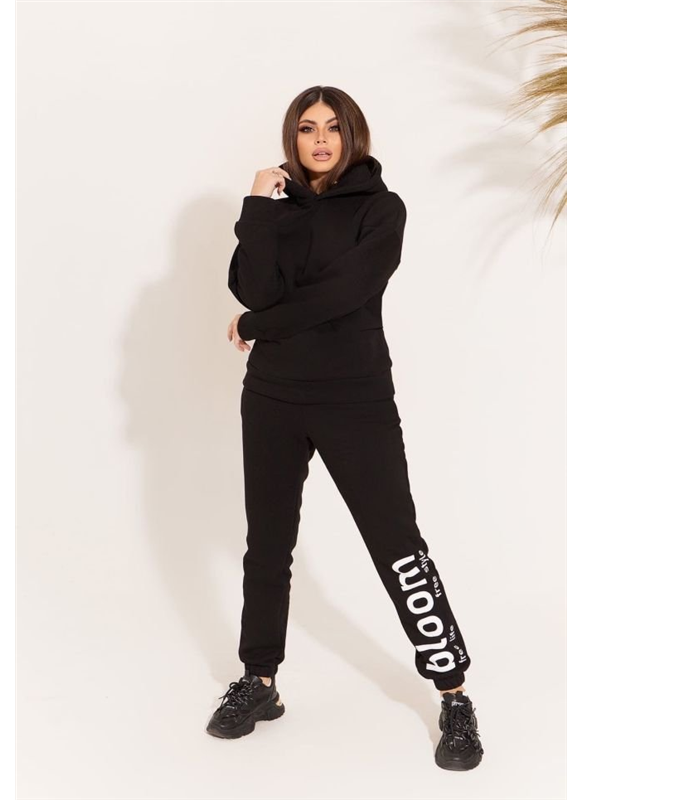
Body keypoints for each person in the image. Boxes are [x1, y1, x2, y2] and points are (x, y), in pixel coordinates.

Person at [207, 86, 484, 771]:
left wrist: (255, 326)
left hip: (354, 400)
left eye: (333, 127)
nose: (321, 139)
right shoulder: (276, 209)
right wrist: (255, 206)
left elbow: (343, 295)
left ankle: (453, 694)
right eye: (307, 129)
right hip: (272, 396)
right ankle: (259, 680)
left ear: (353, 135)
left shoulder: (382, 209)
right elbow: (252, 286)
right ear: (293, 139)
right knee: (267, 545)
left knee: (398, 547)